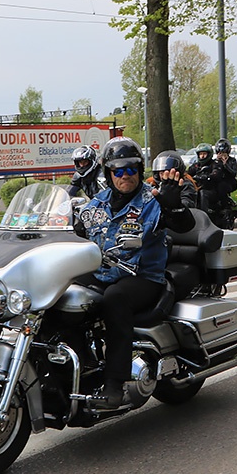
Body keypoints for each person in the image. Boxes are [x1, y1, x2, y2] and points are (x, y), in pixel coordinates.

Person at [77, 137, 194, 408]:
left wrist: (173, 204)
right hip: (103, 273)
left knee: (115, 298)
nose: (125, 175)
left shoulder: (153, 201)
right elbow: (75, 229)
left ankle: (114, 383)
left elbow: (183, 225)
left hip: (142, 278)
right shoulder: (96, 204)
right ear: (108, 173)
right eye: (118, 170)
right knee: (64, 295)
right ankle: (80, 366)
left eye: (131, 169)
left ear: (139, 171)